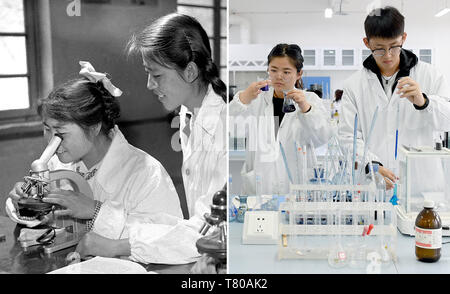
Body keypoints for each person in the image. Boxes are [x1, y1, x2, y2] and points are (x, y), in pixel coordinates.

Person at [74, 13, 227, 269]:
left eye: (156, 75)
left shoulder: (226, 129)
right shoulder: (189, 116)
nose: (149, 85)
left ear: (190, 71)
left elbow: (210, 232)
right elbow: (188, 225)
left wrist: (119, 245)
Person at [6, 61, 182, 240]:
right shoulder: (58, 161)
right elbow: (45, 220)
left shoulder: (145, 173)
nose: (51, 141)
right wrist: (24, 204)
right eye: (46, 129)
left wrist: (95, 211)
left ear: (94, 127)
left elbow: (166, 238)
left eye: (60, 133)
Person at [338, 6, 450, 190]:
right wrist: (371, 164)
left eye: (394, 46)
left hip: (422, 185)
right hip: (376, 184)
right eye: (379, 49)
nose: (388, 55)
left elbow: (447, 122)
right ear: (367, 43)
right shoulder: (354, 85)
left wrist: (424, 103)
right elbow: (347, 136)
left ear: (403, 38)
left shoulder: (430, 75)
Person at [229, 43, 333, 196]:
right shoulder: (256, 100)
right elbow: (230, 129)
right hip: (260, 186)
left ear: (299, 74)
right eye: (274, 70)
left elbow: (323, 137)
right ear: (268, 70)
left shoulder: (310, 100)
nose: (279, 76)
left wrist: (306, 108)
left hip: (297, 188)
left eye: (286, 71)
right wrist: (244, 98)